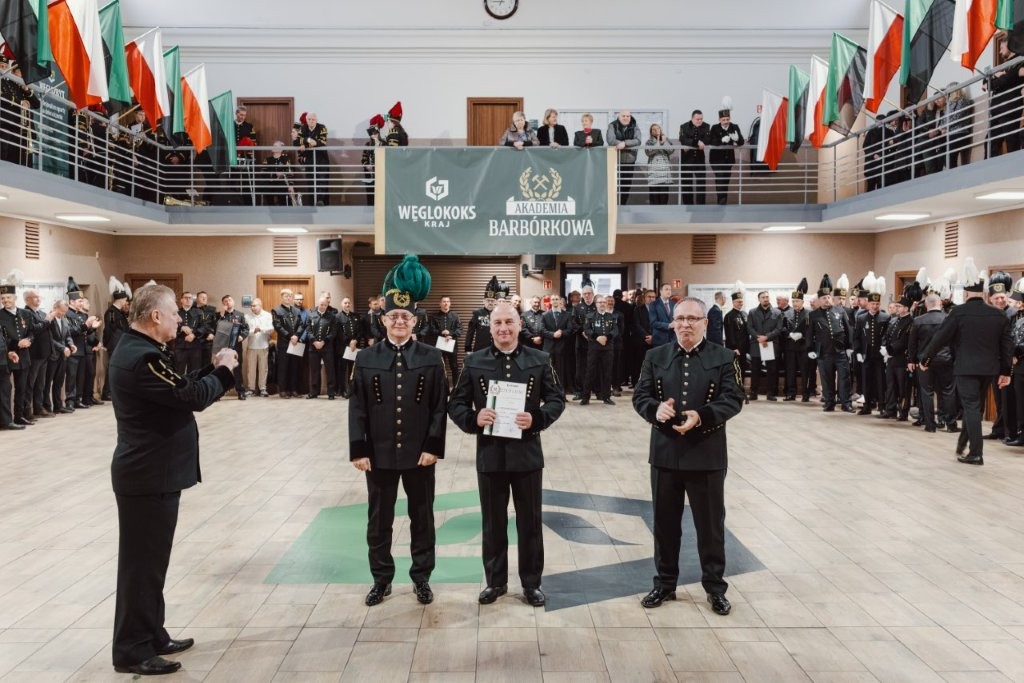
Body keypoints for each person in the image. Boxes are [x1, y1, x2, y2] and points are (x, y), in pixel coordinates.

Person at [108, 284, 238, 676]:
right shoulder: (142, 357)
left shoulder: (142, 350)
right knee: (141, 567)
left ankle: (152, 634)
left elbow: (179, 387)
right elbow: (191, 398)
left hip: (154, 473)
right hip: (147, 474)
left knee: (152, 563)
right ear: (155, 316)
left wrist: (212, 370)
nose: (180, 319)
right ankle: (132, 649)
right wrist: (224, 373)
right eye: (174, 313)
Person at [448, 300, 565, 607]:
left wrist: (537, 418)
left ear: (519, 325)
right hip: (490, 456)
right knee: (493, 523)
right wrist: (473, 418)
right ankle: (495, 582)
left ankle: (531, 583)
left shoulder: (540, 359)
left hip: (527, 455)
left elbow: (557, 399)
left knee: (530, 523)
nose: (503, 328)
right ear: (490, 327)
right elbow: (455, 403)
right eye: (497, 323)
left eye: (509, 322)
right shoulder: (474, 361)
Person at [632, 297, 744, 612]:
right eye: (680, 319)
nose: (685, 325)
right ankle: (664, 584)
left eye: (692, 319)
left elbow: (734, 398)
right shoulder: (655, 356)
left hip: (706, 454)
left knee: (710, 527)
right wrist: (655, 410)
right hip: (665, 454)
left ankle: (715, 588)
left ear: (705, 323)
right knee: (665, 525)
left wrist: (702, 416)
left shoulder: (724, 357)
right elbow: (641, 395)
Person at [349, 255, 447, 607]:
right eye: (394, 316)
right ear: (383, 319)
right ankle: (381, 579)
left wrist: (433, 446)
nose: (400, 321)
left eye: (406, 316)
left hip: (420, 455)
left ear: (415, 320)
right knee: (379, 521)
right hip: (378, 455)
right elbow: (357, 408)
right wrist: (359, 450)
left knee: (423, 519)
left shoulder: (431, 357)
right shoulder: (366, 358)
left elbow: (439, 407)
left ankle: (422, 578)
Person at [921, 258, 1012, 465]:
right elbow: (1006, 346)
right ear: (984, 293)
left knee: (971, 406)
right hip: (989, 369)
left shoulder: (958, 313)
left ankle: (976, 453)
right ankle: (962, 443)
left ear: (966, 293)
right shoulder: (999, 315)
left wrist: (926, 358)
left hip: (965, 368)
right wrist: (1006, 372)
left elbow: (939, 338)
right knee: (975, 407)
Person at [909, 291, 955, 433]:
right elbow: (955, 341)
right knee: (948, 391)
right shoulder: (948, 319)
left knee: (927, 392)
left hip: (924, 362)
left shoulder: (918, 320)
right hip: (946, 360)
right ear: (940, 303)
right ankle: (951, 424)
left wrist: (911, 360)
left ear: (926, 305)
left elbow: (912, 343)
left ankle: (930, 425)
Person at [808, 274, 854, 412]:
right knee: (827, 379)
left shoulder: (840, 311)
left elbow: (848, 329)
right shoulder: (813, 315)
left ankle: (846, 403)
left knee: (844, 378)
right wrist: (810, 349)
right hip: (824, 352)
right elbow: (809, 334)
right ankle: (829, 403)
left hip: (840, 351)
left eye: (828, 297)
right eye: (824, 298)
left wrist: (849, 347)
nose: (827, 300)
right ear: (819, 300)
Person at [0, 279, 37, 426]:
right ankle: (6, 419)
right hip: (6, 356)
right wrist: (16, 343)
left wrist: (29, 340)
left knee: (22, 388)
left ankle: (19, 416)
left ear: (15, 297)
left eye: (8, 297)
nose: (5, 300)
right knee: (5, 390)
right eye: (3, 298)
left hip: (24, 356)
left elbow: (32, 332)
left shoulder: (25, 313)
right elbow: (3, 338)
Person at [854, 274, 889, 415]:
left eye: (877, 304)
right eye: (872, 304)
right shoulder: (861, 318)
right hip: (866, 354)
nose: (875, 306)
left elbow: (887, 336)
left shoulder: (885, 317)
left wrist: (886, 350)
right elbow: (856, 337)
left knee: (880, 381)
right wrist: (857, 352)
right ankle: (867, 405)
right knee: (866, 380)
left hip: (879, 355)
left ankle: (882, 406)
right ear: (868, 304)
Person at [984, 42, 1023, 158]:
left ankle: (1015, 166)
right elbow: (985, 82)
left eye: (1001, 48)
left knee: (1011, 141)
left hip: (1009, 107)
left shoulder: (1020, 60)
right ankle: (990, 168)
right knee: (989, 143)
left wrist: (999, 77)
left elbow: (1006, 80)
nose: (1000, 52)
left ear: (1009, 45)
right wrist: (997, 76)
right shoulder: (1002, 65)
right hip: (996, 111)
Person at [580, 295, 618, 406]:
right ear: (596, 304)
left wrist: (607, 337)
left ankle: (606, 397)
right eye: (599, 302)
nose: (602, 304)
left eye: (603, 302)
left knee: (607, 373)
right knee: (590, 372)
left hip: (608, 348)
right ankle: (585, 397)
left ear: (606, 304)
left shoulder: (612, 316)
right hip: (594, 348)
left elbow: (615, 330)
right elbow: (587, 329)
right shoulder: (590, 316)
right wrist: (597, 337)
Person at [746, 290, 782, 401]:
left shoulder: (777, 312)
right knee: (755, 370)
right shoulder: (752, 312)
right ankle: (753, 392)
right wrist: (759, 337)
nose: (765, 299)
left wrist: (766, 337)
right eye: (763, 297)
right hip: (757, 343)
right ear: (759, 299)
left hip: (769, 343)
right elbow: (749, 328)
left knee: (771, 370)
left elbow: (778, 329)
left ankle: (770, 393)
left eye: (767, 297)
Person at [707, 101, 744, 205]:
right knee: (720, 177)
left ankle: (723, 202)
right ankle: (721, 202)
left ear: (730, 118)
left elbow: (741, 142)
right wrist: (721, 140)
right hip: (716, 159)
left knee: (726, 180)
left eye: (727, 119)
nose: (726, 121)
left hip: (728, 159)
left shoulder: (734, 127)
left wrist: (737, 139)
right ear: (719, 120)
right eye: (723, 120)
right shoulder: (715, 127)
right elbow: (711, 141)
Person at [101, 278, 131, 401]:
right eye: (125, 300)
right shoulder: (111, 312)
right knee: (112, 368)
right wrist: (107, 344)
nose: (126, 302)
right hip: (114, 344)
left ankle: (115, 391)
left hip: (120, 344)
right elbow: (110, 330)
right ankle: (107, 392)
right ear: (121, 300)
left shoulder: (120, 312)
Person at [272, 288, 305, 397]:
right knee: (283, 367)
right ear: (282, 297)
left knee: (294, 367)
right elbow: (277, 326)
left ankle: (294, 389)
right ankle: (283, 390)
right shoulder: (276, 310)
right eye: (286, 296)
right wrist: (290, 336)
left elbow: (301, 325)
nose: (288, 298)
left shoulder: (297, 310)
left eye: (290, 296)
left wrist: (297, 335)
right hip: (284, 343)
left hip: (295, 342)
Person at [216, 295, 249, 398]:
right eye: (225, 301)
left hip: (236, 346)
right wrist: (222, 315)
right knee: (222, 368)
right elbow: (216, 328)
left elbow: (246, 328)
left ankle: (240, 391)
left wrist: (242, 336)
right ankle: (219, 392)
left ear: (233, 301)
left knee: (237, 368)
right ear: (223, 304)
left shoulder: (240, 315)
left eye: (229, 300)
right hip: (223, 346)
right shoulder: (219, 315)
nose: (228, 302)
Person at [607, 110, 643, 205]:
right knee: (613, 184)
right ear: (619, 117)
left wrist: (625, 143)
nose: (626, 118)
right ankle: (613, 207)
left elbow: (638, 140)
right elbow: (610, 140)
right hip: (615, 160)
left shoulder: (635, 126)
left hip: (630, 160)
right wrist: (621, 143)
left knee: (626, 185)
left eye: (628, 116)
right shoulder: (612, 125)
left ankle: (622, 205)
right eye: (623, 116)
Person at [678, 110, 711, 205]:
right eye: (697, 119)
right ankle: (688, 206)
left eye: (701, 119)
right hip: (686, 159)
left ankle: (701, 207)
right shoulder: (684, 126)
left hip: (699, 160)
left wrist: (692, 142)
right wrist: (697, 142)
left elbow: (707, 139)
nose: (700, 121)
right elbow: (683, 139)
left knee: (701, 184)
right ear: (692, 119)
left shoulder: (706, 126)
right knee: (686, 184)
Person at [540, 294, 572, 393]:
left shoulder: (567, 315)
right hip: (548, 349)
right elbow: (542, 330)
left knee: (561, 373)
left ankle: (561, 394)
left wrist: (562, 332)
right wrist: (553, 334)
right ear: (550, 301)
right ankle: (549, 394)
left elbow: (570, 330)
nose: (555, 301)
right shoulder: (544, 315)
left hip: (562, 349)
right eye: (553, 299)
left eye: (556, 299)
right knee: (548, 372)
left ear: (560, 301)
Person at [429, 295, 462, 390]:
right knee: (440, 367)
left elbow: (460, 329)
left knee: (454, 367)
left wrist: (451, 334)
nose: (446, 303)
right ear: (440, 304)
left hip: (452, 345)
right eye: (444, 301)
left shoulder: (455, 316)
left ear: (450, 303)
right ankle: (443, 388)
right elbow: (431, 330)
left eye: (447, 301)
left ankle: (456, 388)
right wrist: (441, 332)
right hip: (439, 345)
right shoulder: (434, 317)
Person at [723, 282, 749, 397]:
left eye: (741, 302)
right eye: (738, 302)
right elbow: (729, 334)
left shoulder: (744, 314)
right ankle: (735, 391)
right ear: (733, 302)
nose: (740, 304)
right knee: (735, 371)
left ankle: (741, 390)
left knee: (742, 369)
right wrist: (734, 348)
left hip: (744, 348)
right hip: (735, 349)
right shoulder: (729, 316)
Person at [1007, 277, 1024, 446]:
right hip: (1019, 368)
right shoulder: (1019, 320)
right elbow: (1013, 339)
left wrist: (1017, 352)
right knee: (1020, 403)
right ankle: (1021, 434)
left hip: (1021, 363)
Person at [467, 277, 506, 352]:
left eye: (492, 300)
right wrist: (468, 348)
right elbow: (470, 332)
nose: (490, 303)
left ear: (495, 302)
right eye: (488, 300)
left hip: (496, 349)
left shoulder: (499, 314)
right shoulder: (477, 314)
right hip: (480, 349)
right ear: (483, 301)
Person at [298, 112, 330, 205]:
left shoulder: (322, 127)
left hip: (322, 159)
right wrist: (308, 140)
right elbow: (297, 141)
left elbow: (322, 142)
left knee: (322, 182)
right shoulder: (303, 128)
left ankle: (321, 202)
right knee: (310, 182)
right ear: (306, 120)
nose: (311, 121)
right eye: (309, 119)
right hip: (309, 159)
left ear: (316, 120)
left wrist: (305, 143)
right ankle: (312, 204)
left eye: (313, 119)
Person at [244, 298, 272, 397]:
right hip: (251, 346)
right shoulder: (247, 317)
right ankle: (251, 389)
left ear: (260, 305)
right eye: (251, 306)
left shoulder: (267, 315)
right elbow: (245, 331)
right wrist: (253, 331)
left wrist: (261, 329)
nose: (252, 308)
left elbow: (271, 329)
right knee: (251, 368)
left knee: (263, 368)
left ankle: (263, 388)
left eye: (254, 306)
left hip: (263, 345)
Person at [944, 83, 974, 169]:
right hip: (951, 134)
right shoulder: (949, 104)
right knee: (947, 160)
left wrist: (946, 126)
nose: (948, 95)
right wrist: (943, 127)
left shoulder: (963, 101)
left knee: (950, 160)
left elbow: (957, 117)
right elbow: (943, 120)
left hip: (961, 133)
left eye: (949, 93)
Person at [644, 123, 674, 205]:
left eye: (658, 128)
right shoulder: (649, 142)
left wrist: (664, 142)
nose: (656, 130)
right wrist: (658, 140)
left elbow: (671, 150)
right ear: (651, 132)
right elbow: (649, 152)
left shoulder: (666, 140)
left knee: (664, 198)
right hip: (654, 173)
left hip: (664, 172)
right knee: (654, 199)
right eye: (654, 129)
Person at [361, 114, 385, 206]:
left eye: (374, 133)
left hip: (382, 176)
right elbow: (363, 159)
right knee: (371, 198)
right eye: (371, 133)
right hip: (370, 176)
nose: (372, 135)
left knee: (382, 198)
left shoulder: (384, 144)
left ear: (378, 132)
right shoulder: (367, 145)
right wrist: (367, 165)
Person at [648, 282, 676, 347]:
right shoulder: (653, 304)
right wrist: (668, 325)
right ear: (660, 291)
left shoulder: (674, 304)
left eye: (670, 289)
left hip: (672, 339)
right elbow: (653, 323)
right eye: (666, 289)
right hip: (659, 340)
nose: (669, 291)